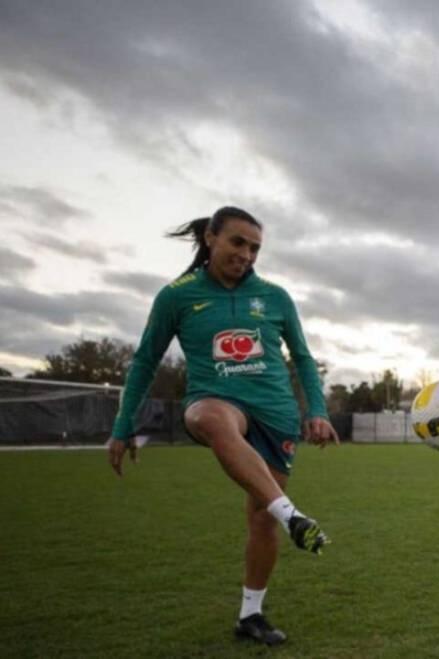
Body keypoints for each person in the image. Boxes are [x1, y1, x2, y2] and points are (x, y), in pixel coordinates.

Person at [107, 206, 339, 646]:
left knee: (261, 519)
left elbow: (304, 358)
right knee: (210, 418)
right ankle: (295, 516)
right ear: (211, 238)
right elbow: (144, 360)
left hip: (276, 413)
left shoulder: (275, 297)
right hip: (215, 400)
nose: (246, 254)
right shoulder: (176, 296)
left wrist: (318, 411)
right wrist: (122, 426)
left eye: (254, 248)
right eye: (237, 242)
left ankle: (250, 616)